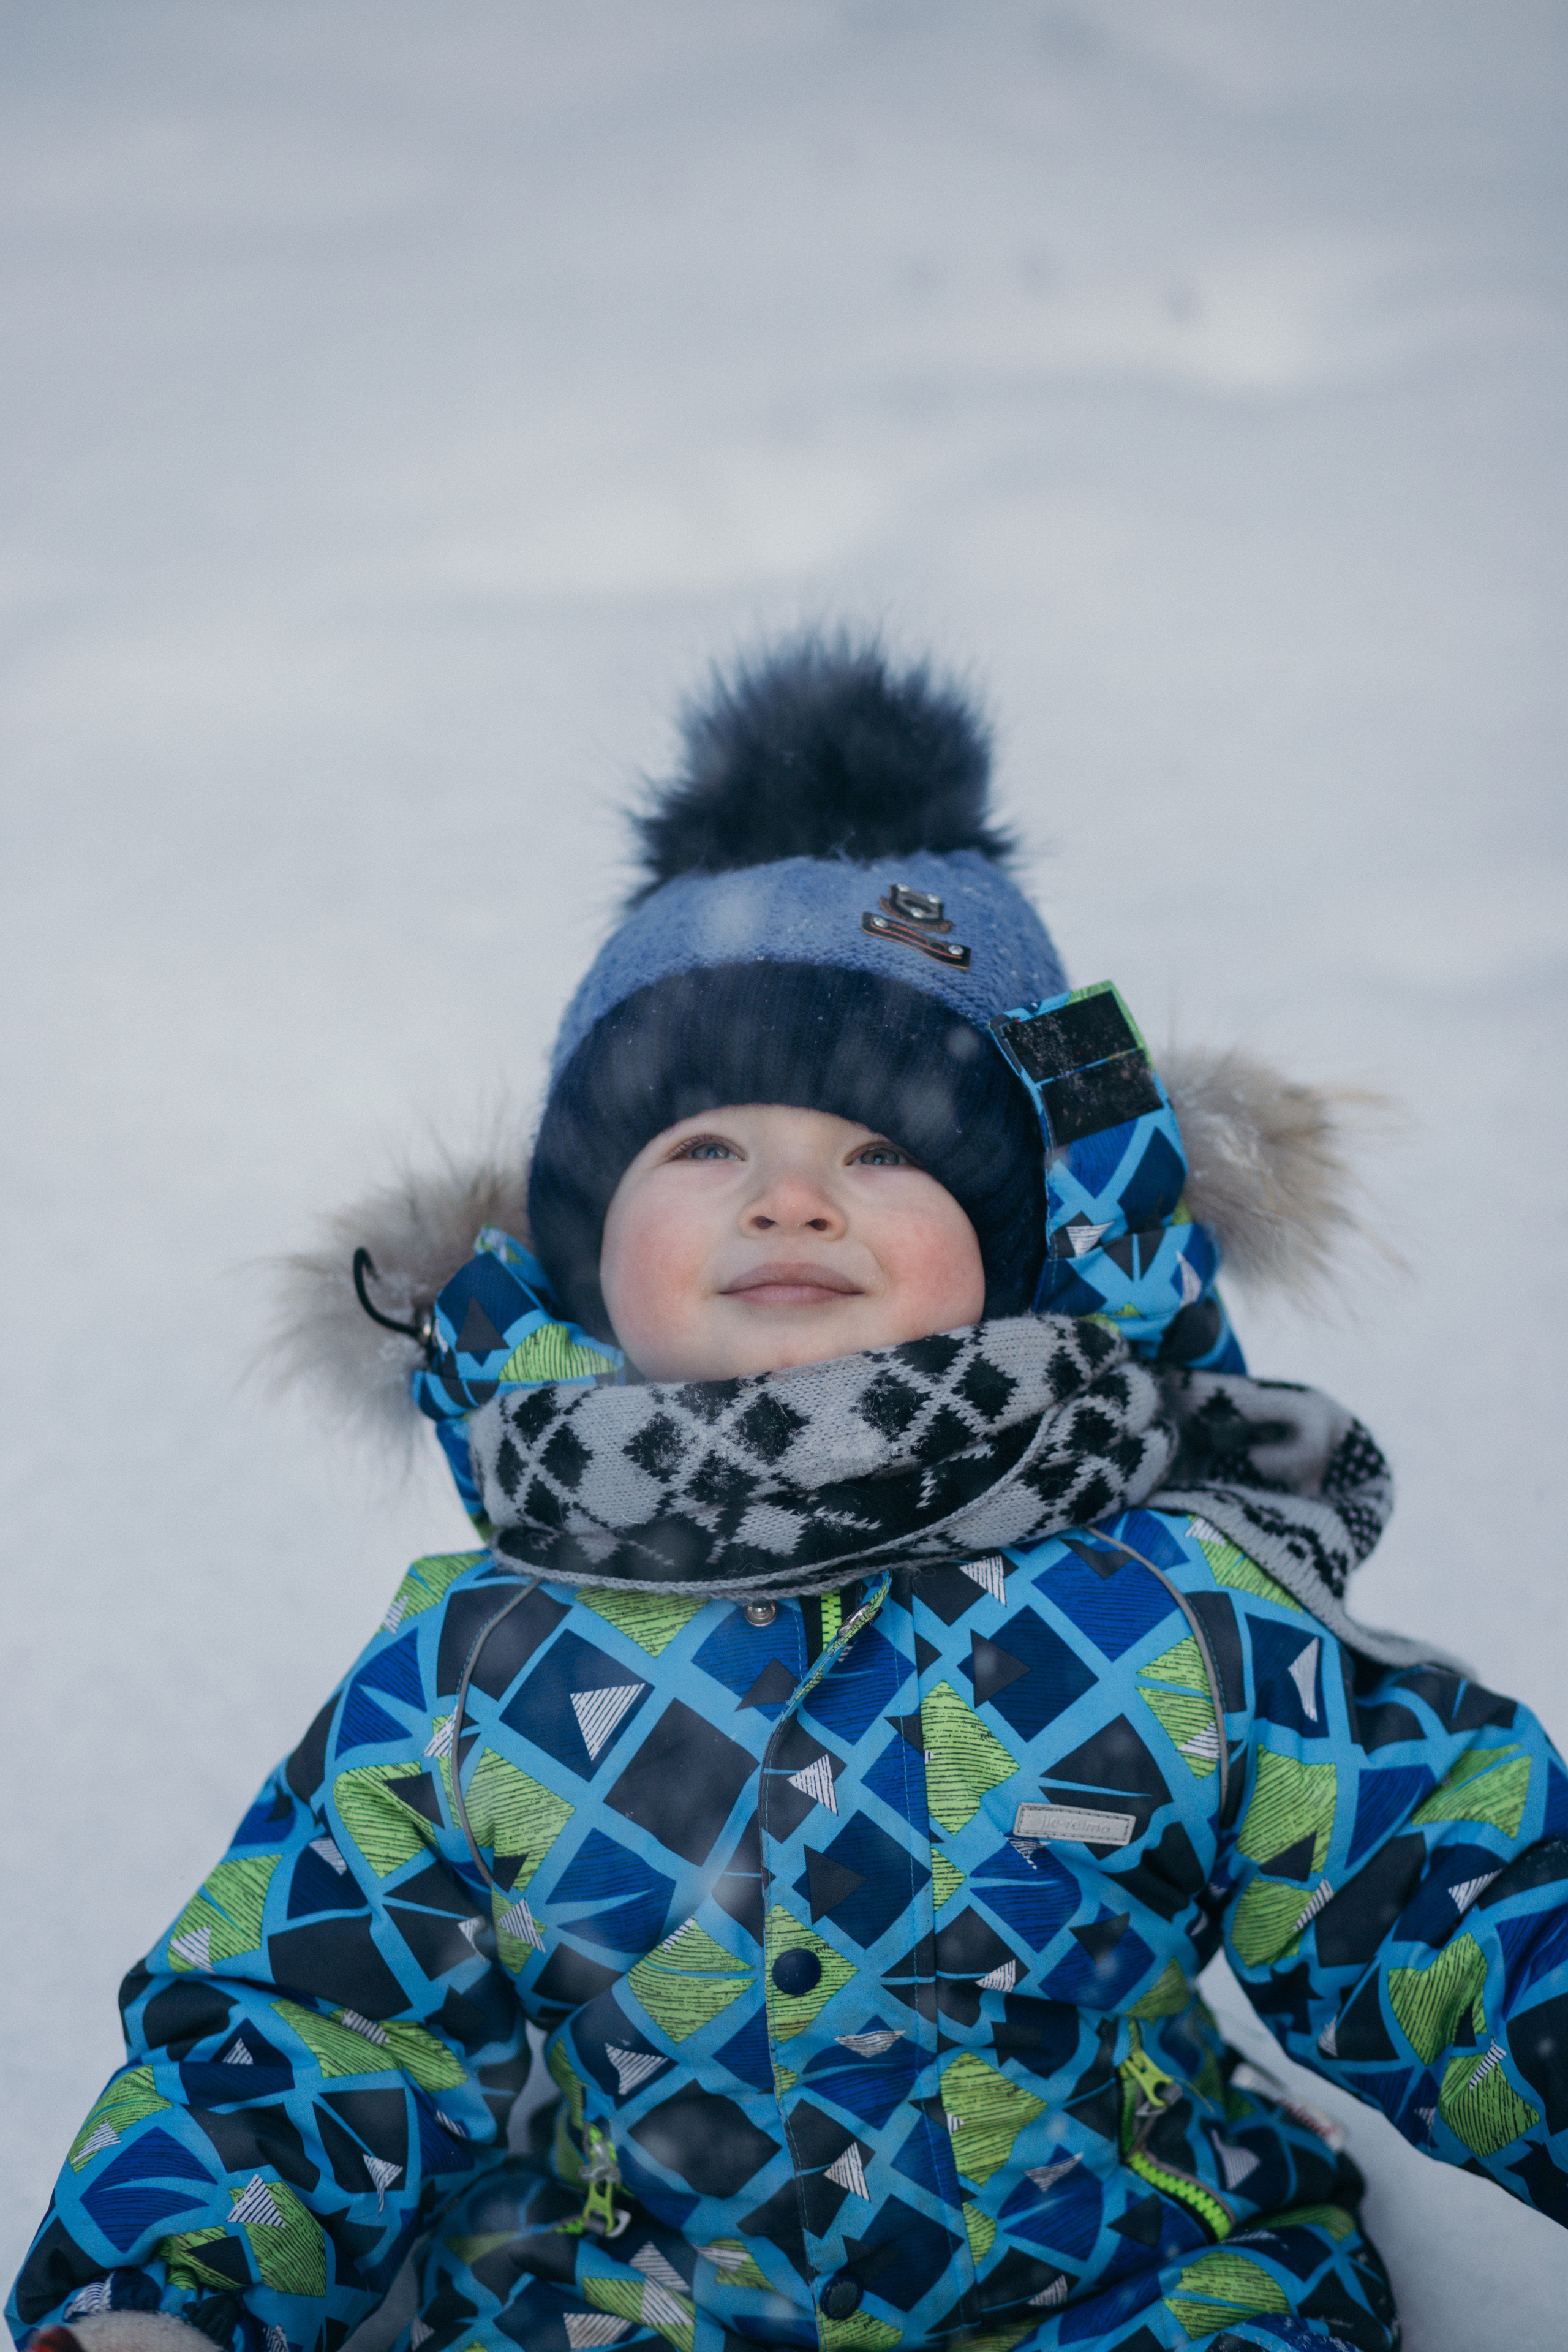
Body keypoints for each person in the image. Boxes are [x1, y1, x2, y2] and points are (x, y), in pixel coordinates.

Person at [12, 639, 1567, 2352]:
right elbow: (319, 2026)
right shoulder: (477, 1662)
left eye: (884, 1152)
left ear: (1023, 1250)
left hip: (1133, 2293)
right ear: (587, 1258)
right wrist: (163, 2295)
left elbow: (1431, 1886)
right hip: (634, 2306)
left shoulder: (1170, 1605)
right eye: (704, 1149)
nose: (791, 1200)